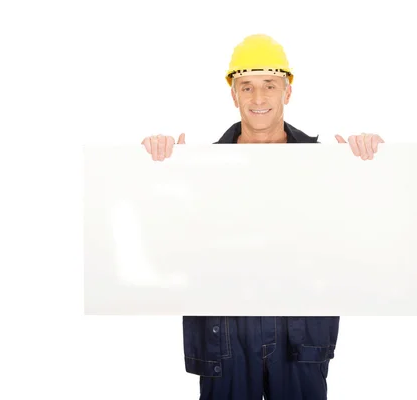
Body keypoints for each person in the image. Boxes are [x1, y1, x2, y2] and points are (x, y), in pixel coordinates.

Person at [141, 34, 384, 400]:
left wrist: (370, 164)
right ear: (233, 94)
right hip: (225, 329)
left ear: (287, 92)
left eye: (269, 86)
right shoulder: (198, 169)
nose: (258, 99)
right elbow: (165, 244)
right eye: (247, 87)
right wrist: (156, 168)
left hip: (300, 329)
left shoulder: (327, 165)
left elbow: (367, 231)